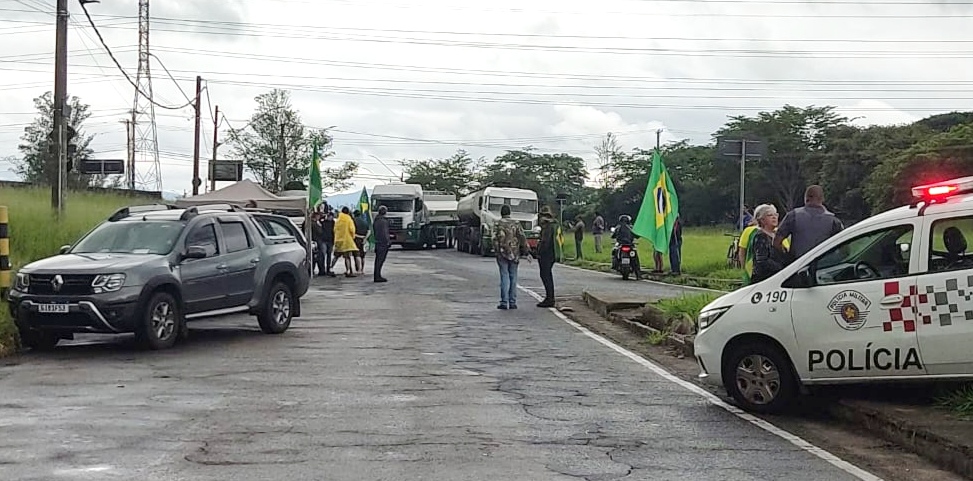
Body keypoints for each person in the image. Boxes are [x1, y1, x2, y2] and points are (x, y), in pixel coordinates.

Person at [774, 185, 844, 260]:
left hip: (798, 264)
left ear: (806, 199)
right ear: (822, 199)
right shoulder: (834, 221)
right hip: (825, 264)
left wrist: (787, 259)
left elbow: (776, 242)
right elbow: (845, 250)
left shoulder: (793, 216)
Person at [494, 204, 530, 310]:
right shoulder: (516, 223)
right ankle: (512, 302)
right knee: (513, 277)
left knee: (504, 276)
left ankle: (504, 302)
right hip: (515, 253)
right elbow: (522, 238)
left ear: (501, 213)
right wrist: (526, 252)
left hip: (502, 253)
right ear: (510, 213)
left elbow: (494, 239)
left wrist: (497, 251)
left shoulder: (497, 224)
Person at [750, 204, 790, 284]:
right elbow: (762, 260)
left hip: (776, 278)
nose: (774, 217)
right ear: (762, 220)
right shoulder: (761, 236)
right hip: (764, 280)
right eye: (770, 215)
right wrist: (782, 268)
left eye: (776, 214)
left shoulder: (777, 235)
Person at [536, 206, 558, 308]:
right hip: (552, 253)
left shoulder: (548, 227)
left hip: (546, 254)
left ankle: (550, 298)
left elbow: (545, 242)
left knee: (545, 275)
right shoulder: (554, 225)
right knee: (547, 275)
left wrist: (539, 252)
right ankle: (550, 297)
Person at [611, 214, 642, 279]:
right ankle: (638, 274)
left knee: (614, 251)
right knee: (635, 259)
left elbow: (613, 235)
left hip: (621, 244)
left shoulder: (618, 227)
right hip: (629, 244)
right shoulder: (631, 228)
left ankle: (615, 265)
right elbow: (637, 236)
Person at [333, 207, 358, 277]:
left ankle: (330, 268)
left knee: (336, 256)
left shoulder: (338, 220)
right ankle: (348, 271)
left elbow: (334, 229)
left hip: (338, 240)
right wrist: (353, 237)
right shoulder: (348, 219)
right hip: (347, 241)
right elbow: (352, 229)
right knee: (347, 257)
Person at [372, 205, 391, 283]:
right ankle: (377, 276)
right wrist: (388, 241)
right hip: (383, 243)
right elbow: (385, 232)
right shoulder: (383, 221)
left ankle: (377, 275)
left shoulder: (376, 220)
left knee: (378, 260)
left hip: (377, 242)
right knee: (380, 260)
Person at [353, 209, 370, 275]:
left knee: (357, 255)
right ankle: (362, 269)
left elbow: (352, 231)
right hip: (364, 239)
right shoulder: (365, 221)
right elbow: (369, 231)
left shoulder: (353, 221)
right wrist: (365, 238)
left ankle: (359, 269)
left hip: (356, 239)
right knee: (362, 256)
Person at [320, 209, 336, 277]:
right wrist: (323, 216)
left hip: (330, 241)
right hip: (324, 240)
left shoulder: (333, 223)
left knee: (329, 255)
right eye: (329, 216)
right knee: (323, 255)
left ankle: (328, 269)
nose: (330, 218)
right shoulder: (323, 222)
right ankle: (323, 269)